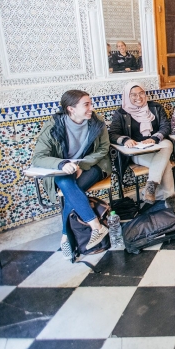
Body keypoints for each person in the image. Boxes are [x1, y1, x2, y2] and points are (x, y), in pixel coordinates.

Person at [32, 90, 112, 258]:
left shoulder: (97, 122)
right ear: (71, 109)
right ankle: (97, 227)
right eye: (86, 104)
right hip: (65, 170)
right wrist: (62, 164)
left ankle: (65, 235)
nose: (91, 107)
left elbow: (104, 149)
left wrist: (81, 164)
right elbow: (38, 157)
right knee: (66, 183)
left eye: (91, 103)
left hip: (94, 166)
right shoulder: (53, 125)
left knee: (70, 190)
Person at [109, 82, 174, 204]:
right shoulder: (121, 113)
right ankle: (170, 200)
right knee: (166, 165)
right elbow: (112, 134)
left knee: (168, 144)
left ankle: (150, 188)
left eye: (141, 93)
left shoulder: (155, 108)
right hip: (138, 152)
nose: (138, 97)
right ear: (127, 96)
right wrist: (125, 140)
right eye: (133, 95)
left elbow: (165, 126)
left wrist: (154, 138)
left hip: (158, 147)